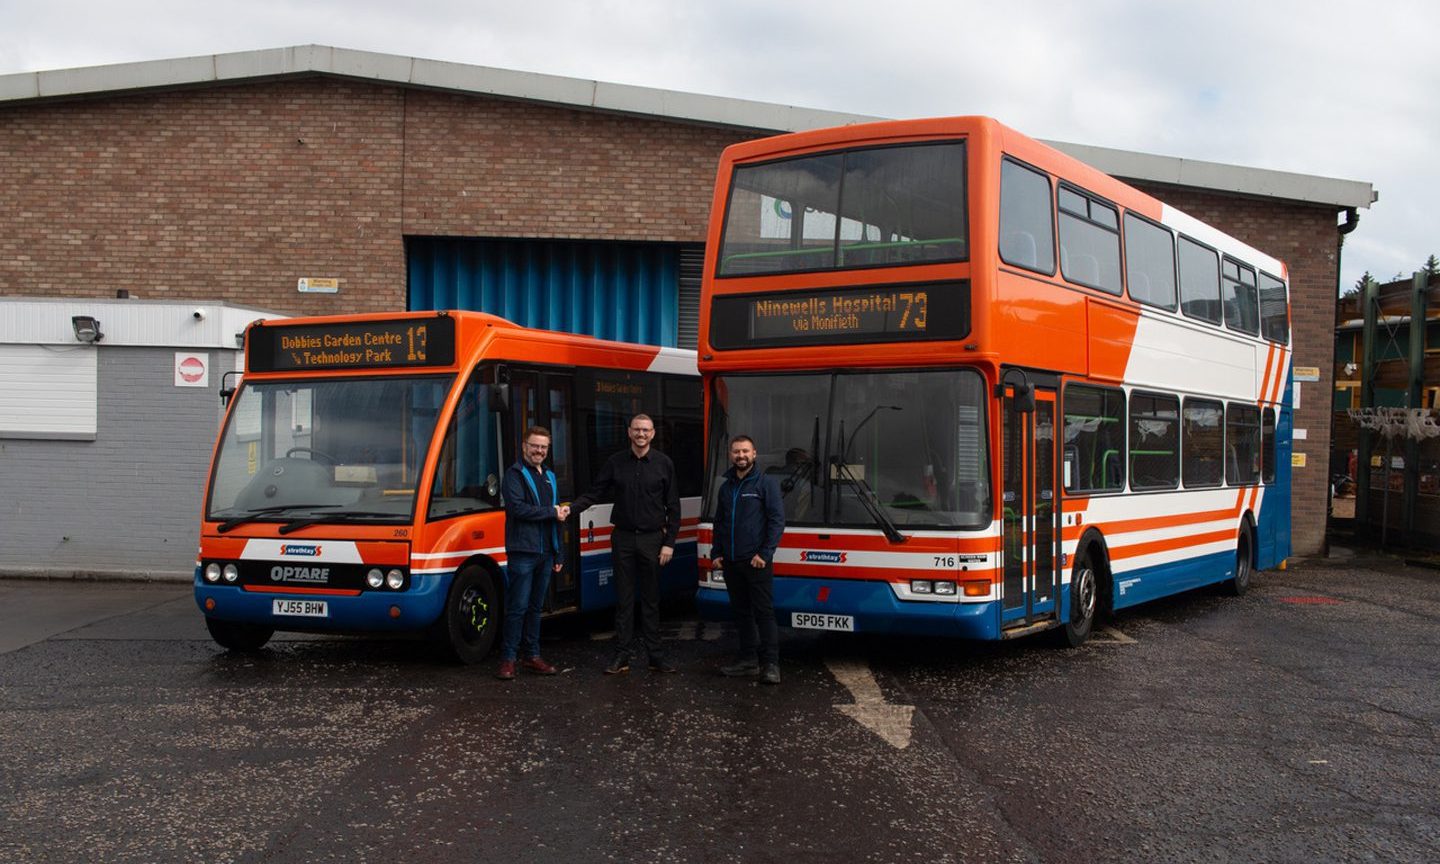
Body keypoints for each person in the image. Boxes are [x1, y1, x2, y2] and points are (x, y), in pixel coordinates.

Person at [572, 413, 681, 674]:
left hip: (653, 539)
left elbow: (674, 508)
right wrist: (570, 510)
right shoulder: (615, 462)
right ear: (629, 433)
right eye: (637, 430)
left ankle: (655, 656)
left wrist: (669, 543)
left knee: (652, 600)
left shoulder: (664, 464)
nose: (641, 434)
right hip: (622, 538)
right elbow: (595, 492)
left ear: (653, 434)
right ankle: (622, 656)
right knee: (624, 599)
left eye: (646, 430)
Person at [711, 435, 785, 685]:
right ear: (731, 455)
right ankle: (747, 660)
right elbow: (720, 522)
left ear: (754, 454)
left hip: (757, 561)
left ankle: (771, 665)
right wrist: (716, 552)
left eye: (745, 451)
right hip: (731, 561)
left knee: (764, 613)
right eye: (736, 452)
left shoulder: (766, 484)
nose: (740, 456)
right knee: (741, 613)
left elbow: (777, 521)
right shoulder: (726, 487)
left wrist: (765, 553)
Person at [497, 426, 568, 681]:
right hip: (523, 552)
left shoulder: (549, 475)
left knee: (536, 608)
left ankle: (532, 655)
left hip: (546, 553)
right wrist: (552, 512)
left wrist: (558, 554)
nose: (539, 451)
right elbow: (518, 509)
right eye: (535, 446)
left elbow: (557, 518)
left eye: (544, 447)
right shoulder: (514, 475)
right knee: (517, 607)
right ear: (524, 446)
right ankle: (507, 660)